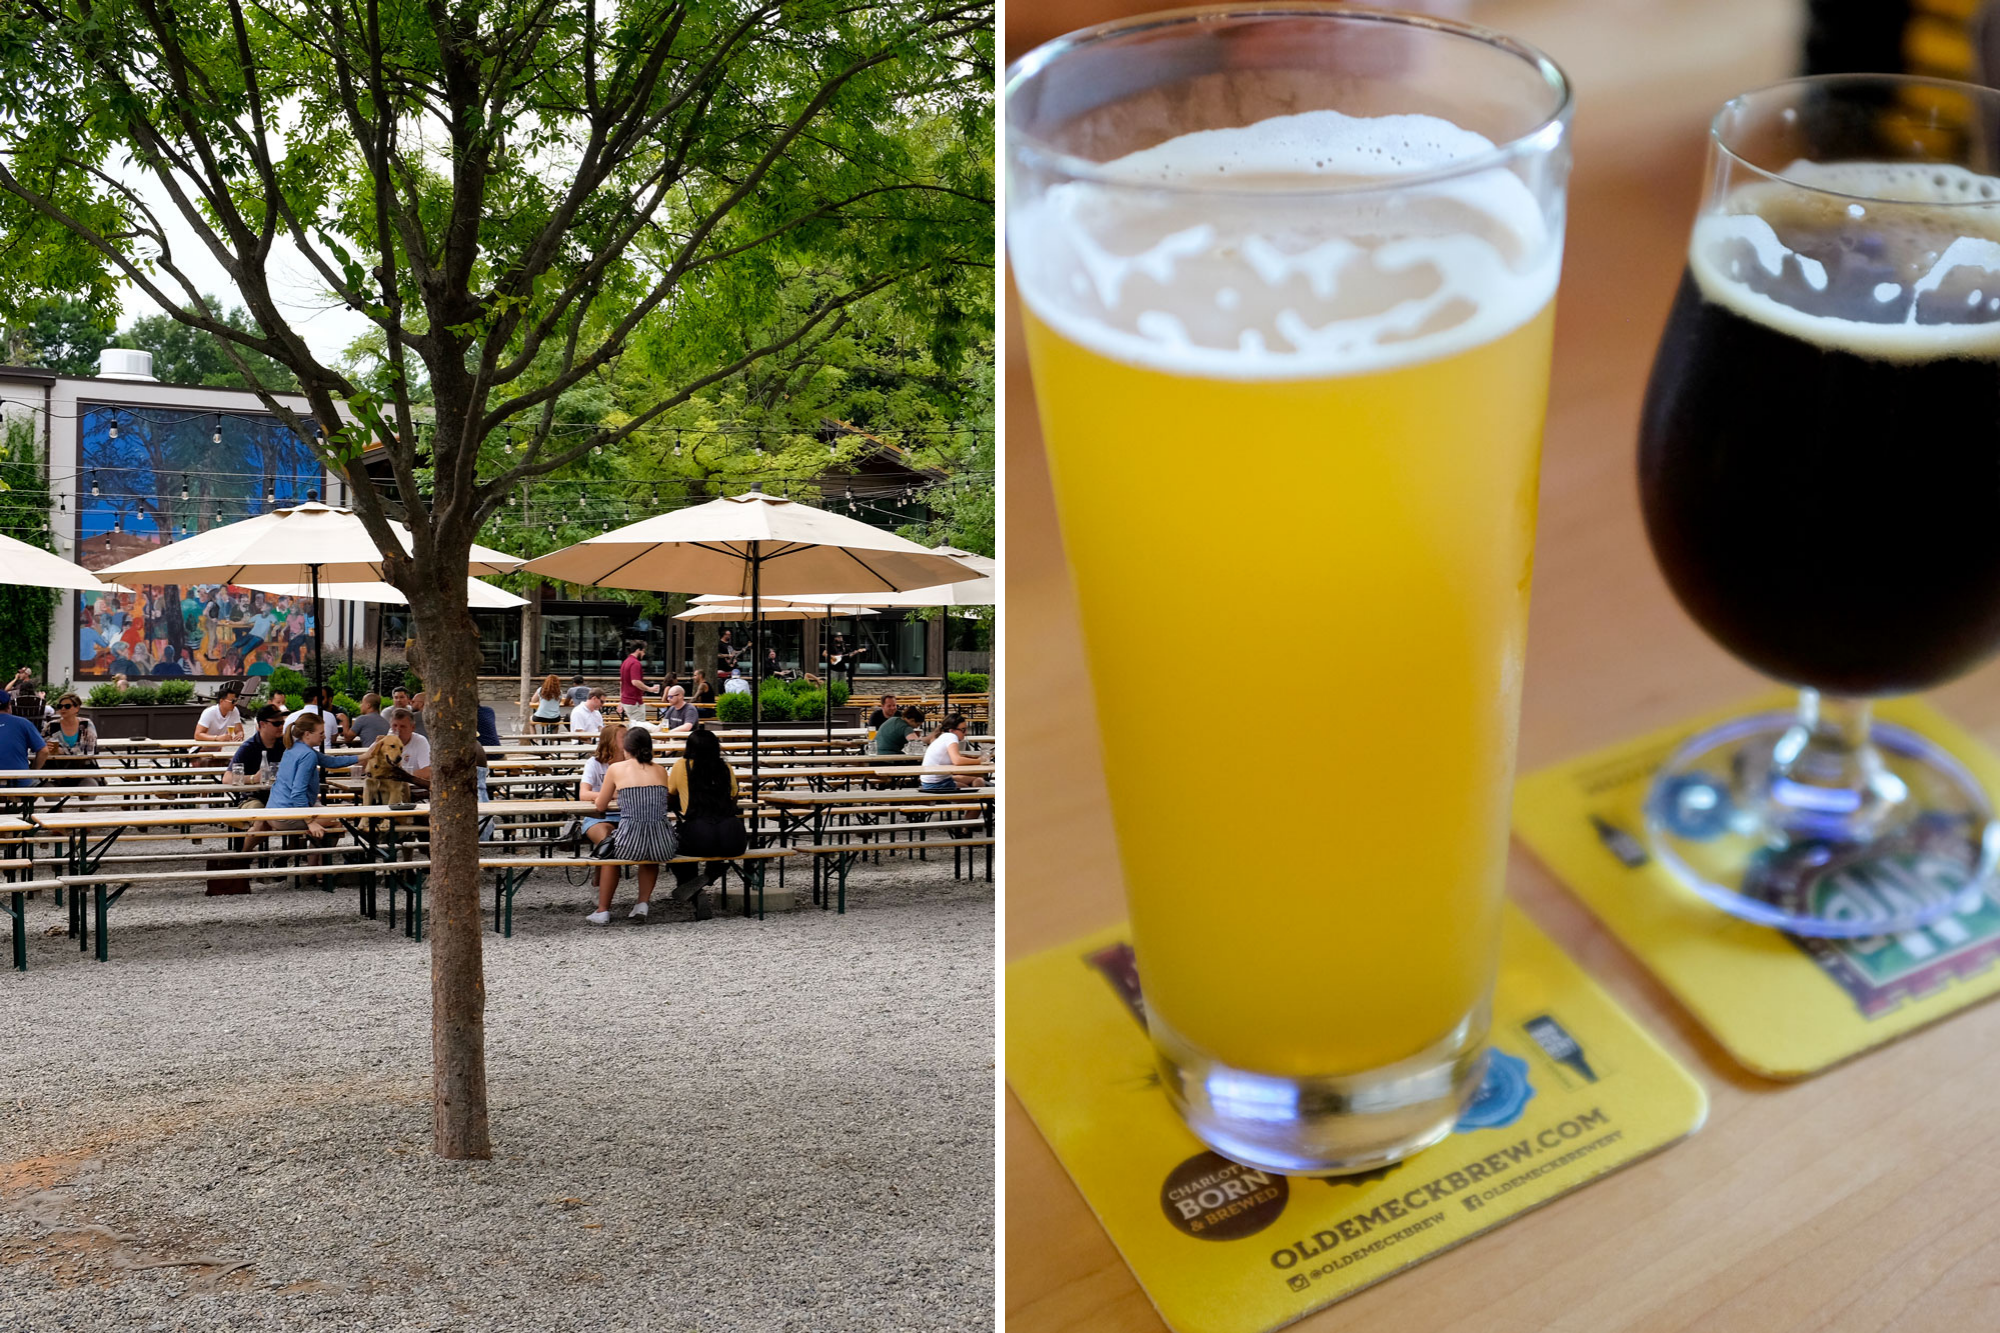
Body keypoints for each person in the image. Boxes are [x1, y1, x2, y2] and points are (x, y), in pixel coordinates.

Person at [587, 725, 677, 925]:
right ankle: (642, 903)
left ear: (626, 748)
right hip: (663, 843)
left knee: (610, 851)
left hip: (630, 841)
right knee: (649, 854)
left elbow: (601, 805)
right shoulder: (661, 771)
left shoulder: (616, 768)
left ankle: (603, 910)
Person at [244, 713, 358, 856]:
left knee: (324, 816)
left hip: (273, 809)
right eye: (321, 733)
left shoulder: (293, 747)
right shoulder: (308, 755)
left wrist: (363, 756)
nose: (324, 736)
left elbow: (331, 762)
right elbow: (298, 793)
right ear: (307, 734)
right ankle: (317, 873)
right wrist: (310, 821)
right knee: (335, 822)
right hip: (287, 815)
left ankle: (241, 859)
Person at [665, 725, 745, 917]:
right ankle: (710, 873)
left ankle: (694, 890)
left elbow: (669, 795)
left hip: (699, 832)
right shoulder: (725, 767)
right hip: (733, 836)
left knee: (673, 849)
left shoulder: (681, 766)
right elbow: (734, 796)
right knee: (712, 846)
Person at [575, 722, 626, 857]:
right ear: (611, 742)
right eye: (624, 737)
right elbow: (583, 794)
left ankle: (601, 877)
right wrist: (610, 795)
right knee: (607, 845)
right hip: (598, 816)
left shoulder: (631, 762)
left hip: (627, 816)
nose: (629, 740)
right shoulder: (594, 763)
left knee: (610, 850)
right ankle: (604, 875)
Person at [920, 712, 984, 792]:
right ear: (952, 730)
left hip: (931, 781)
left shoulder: (943, 736)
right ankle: (980, 801)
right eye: (963, 730)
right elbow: (957, 760)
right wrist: (981, 761)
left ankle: (981, 801)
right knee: (976, 787)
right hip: (937, 784)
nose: (966, 732)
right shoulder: (951, 736)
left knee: (978, 780)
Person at [40, 694, 100, 773]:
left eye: (67, 706)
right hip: (55, 769)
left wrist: (62, 752)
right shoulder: (51, 726)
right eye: (60, 706)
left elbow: (90, 751)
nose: (63, 709)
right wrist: (46, 749)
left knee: (90, 785)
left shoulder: (86, 725)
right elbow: (39, 747)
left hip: (84, 770)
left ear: (77, 708)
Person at [0, 691, 48, 787]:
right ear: (9, 706)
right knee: (46, 785)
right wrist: (33, 772)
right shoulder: (23, 723)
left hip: (13, 783)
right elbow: (44, 751)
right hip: (19, 783)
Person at [619, 641, 649, 712]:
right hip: (634, 701)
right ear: (638, 650)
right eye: (643, 651)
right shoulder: (635, 663)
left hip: (626, 700)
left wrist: (621, 700)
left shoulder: (625, 662)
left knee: (633, 722)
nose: (644, 654)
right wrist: (649, 689)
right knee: (639, 722)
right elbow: (635, 681)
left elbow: (621, 683)